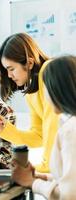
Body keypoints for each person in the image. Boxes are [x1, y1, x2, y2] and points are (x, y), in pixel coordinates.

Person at [0, 33, 59, 173]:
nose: (9, 75)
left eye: (11, 69)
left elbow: (54, 123)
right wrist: (6, 130)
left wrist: (47, 164)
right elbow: (39, 136)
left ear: (30, 63)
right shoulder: (31, 93)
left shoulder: (49, 70)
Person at [11, 55, 76, 199]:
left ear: (57, 89)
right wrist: (43, 177)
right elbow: (70, 180)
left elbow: (70, 194)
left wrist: (32, 182)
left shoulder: (71, 130)